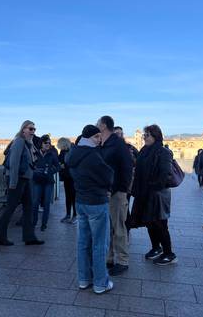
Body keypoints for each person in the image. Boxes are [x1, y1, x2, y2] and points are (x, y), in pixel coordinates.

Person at [67, 125, 114, 294]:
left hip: (80, 202)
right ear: (91, 137)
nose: (100, 140)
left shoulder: (73, 154)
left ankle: (83, 279)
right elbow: (108, 176)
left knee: (83, 243)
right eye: (97, 137)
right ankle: (101, 283)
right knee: (100, 244)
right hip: (96, 202)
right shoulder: (93, 155)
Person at [128, 124, 178, 266]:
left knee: (160, 223)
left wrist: (152, 186)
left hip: (158, 194)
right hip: (144, 192)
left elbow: (164, 174)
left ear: (155, 136)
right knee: (149, 221)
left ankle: (169, 253)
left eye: (147, 135)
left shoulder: (164, 152)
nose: (144, 137)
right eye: (144, 135)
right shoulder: (144, 150)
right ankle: (156, 248)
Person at [0, 120, 45, 246]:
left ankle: (29, 237)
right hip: (17, 179)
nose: (33, 131)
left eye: (34, 129)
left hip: (26, 178)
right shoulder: (19, 141)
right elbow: (14, 162)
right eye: (30, 129)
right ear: (23, 129)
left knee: (29, 208)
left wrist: (32, 143)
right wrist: (13, 182)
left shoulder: (28, 143)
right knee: (11, 207)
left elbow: (38, 159)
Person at [97, 116, 133, 276]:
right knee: (108, 227)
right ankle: (109, 258)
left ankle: (123, 261)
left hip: (116, 193)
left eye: (98, 124)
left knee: (119, 227)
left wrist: (120, 189)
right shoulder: (102, 143)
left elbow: (127, 167)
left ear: (104, 125)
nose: (96, 126)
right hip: (105, 192)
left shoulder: (118, 144)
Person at [32, 134, 60, 231]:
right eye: (46, 143)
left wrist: (50, 171)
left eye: (49, 143)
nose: (48, 144)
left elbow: (58, 167)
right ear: (41, 144)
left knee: (46, 203)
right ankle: (34, 222)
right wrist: (35, 170)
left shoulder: (52, 154)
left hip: (48, 182)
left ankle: (44, 224)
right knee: (35, 203)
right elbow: (30, 166)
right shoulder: (35, 154)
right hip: (37, 181)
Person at [57, 137, 77, 223]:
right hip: (66, 177)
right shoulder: (63, 151)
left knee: (74, 197)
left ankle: (75, 216)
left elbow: (72, 163)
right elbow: (60, 160)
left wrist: (64, 164)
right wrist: (61, 165)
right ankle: (68, 214)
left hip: (73, 177)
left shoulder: (73, 150)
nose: (60, 148)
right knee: (67, 196)